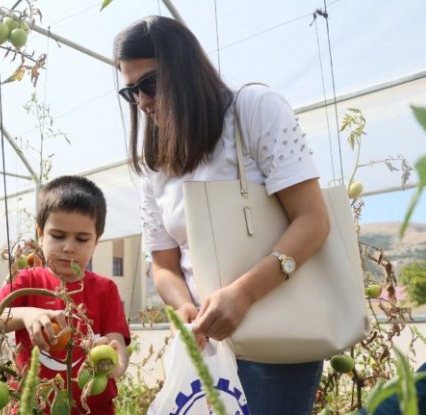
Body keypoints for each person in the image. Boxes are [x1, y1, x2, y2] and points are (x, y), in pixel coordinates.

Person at [113, 16, 330, 414]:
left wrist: (243, 294)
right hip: (208, 344)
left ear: (185, 70)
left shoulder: (253, 111)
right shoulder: (155, 164)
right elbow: (162, 264)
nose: (142, 101)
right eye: (131, 91)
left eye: (150, 84)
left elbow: (312, 220)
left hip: (275, 343)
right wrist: (184, 309)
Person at [0, 175, 131, 414]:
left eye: (82, 239)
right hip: (32, 408)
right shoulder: (28, 281)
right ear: (40, 234)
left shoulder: (105, 289)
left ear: (96, 241)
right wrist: (27, 315)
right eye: (58, 236)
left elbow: (118, 353)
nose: (69, 247)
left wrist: (109, 362)